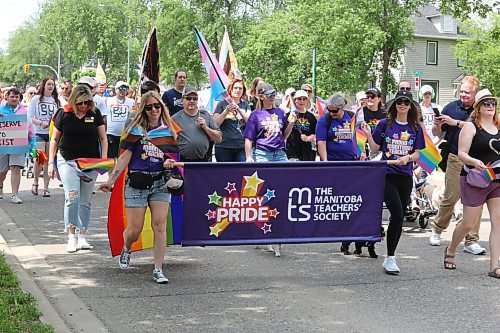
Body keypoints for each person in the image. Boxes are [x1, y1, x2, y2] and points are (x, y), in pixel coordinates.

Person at [99, 91, 179, 284]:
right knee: (134, 229)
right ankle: (127, 248)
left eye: (157, 106)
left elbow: (173, 157)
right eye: (149, 107)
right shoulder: (135, 130)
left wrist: (170, 163)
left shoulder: (170, 130)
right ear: (143, 109)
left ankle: (158, 268)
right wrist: (111, 180)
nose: (154, 110)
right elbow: (125, 156)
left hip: (160, 181)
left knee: (159, 225)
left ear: (162, 107)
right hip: (137, 182)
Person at [363, 90, 425, 274]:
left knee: (398, 217)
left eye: (406, 102)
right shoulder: (385, 124)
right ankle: (390, 257)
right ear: (394, 104)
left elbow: (417, 154)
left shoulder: (415, 128)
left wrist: (408, 158)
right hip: (387, 173)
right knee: (397, 214)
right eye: (400, 101)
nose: (403, 105)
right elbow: (375, 150)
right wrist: (368, 134)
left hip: (405, 176)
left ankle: (391, 255)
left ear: (411, 106)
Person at [444, 89, 499, 279]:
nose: (491, 106)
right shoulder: (470, 126)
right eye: (486, 103)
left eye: (493, 103)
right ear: (478, 107)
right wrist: (475, 162)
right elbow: (461, 153)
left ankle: (494, 266)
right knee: (469, 223)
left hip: (496, 180)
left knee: (498, 221)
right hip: (474, 178)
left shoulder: (499, 125)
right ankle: (451, 250)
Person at [429, 76, 486, 254]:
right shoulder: (451, 107)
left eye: (467, 93)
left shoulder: (481, 109)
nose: (463, 95)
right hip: (456, 158)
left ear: (475, 93)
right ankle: (437, 229)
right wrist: (437, 125)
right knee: (451, 196)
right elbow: (438, 133)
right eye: (461, 91)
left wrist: (456, 123)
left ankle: (471, 241)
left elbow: (482, 128)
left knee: (476, 201)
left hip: (476, 160)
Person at [48, 85, 107, 253]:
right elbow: (54, 139)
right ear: (74, 101)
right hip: (68, 160)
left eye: (87, 103)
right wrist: (51, 163)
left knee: (86, 200)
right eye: (80, 103)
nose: (83, 106)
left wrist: (103, 160)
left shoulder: (94, 113)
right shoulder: (63, 113)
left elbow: (103, 138)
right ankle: (71, 236)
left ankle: (83, 235)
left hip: (90, 163)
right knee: (72, 197)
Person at [243, 83, 296, 257]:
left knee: (281, 191)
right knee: (264, 193)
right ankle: (262, 230)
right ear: (261, 96)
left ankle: (277, 234)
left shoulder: (281, 112)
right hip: (262, 153)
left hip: (279, 152)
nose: (272, 97)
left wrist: (291, 124)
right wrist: (249, 157)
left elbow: (284, 135)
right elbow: (249, 138)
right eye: (269, 94)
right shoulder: (255, 115)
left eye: (274, 94)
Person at [0, 88, 34, 204]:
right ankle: (0, 186)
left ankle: (15, 194)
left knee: (16, 168)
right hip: (3, 146)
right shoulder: (0, 109)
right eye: (12, 96)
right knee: (2, 171)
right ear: (7, 97)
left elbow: (30, 127)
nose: (14, 99)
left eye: (16, 97)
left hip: (19, 145)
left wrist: (32, 143)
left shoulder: (24, 111)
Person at [29, 77, 60, 197]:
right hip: (38, 133)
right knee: (40, 159)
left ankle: (46, 188)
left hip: (52, 134)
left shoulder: (56, 101)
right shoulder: (36, 99)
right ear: (44, 85)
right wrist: (41, 123)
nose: (51, 86)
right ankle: (35, 182)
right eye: (49, 84)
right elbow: (30, 117)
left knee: (49, 160)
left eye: (52, 84)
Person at [172, 87, 222, 162]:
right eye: (188, 98)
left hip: (203, 161)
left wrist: (206, 128)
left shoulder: (205, 115)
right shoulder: (175, 118)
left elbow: (219, 138)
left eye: (195, 98)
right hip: (183, 162)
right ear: (182, 100)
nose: (192, 101)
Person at [213, 78, 250, 162]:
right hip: (224, 146)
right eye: (235, 88)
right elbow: (215, 124)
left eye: (240, 88)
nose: (238, 90)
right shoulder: (222, 104)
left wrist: (239, 110)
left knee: (241, 173)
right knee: (225, 173)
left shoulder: (245, 105)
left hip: (241, 146)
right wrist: (226, 111)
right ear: (231, 89)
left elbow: (250, 122)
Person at [317, 93, 358, 162]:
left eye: (335, 111)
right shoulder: (324, 120)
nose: (331, 113)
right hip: (332, 161)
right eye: (329, 110)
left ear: (342, 107)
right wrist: (325, 161)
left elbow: (360, 138)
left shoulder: (352, 117)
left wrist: (362, 152)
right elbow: (321, 142)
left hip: (351, 160)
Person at [104, 81, 135, 159]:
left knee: (123, 157)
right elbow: (104, 116)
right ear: (116, 90)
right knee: (111, 158)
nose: (123, 90)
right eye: (121, 88)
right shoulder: (108, 100)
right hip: (111, 134)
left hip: (125, 134)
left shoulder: (131, 102)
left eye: (125, 88)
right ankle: (112, 171)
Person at [286, 90, 317, 161]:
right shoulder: (288, 115)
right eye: (299, 99)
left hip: (308, 153)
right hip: (292, 153)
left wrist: (309, 138)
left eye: (304, 99)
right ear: (295, 100)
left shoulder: (311, 116)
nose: (302, 101)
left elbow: (316, 134)